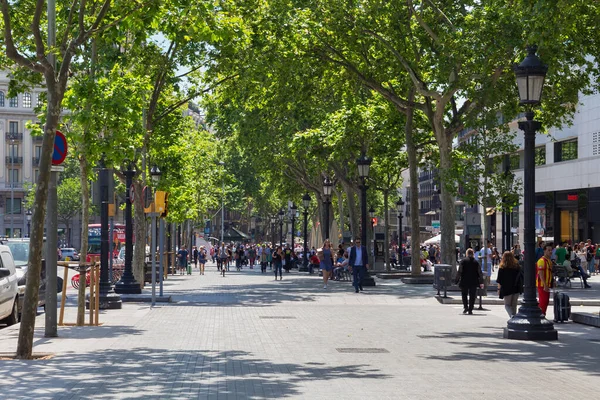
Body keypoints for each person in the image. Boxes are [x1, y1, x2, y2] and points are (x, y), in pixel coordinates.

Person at [455, 248, 484, 315]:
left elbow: (460, 271)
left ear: (467, 253)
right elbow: (480, 272)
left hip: (464, 280)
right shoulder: (476, 262)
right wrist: (481, 281)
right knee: (472, 295)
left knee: (464, 294)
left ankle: (465, 307)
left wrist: (456, 280)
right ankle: (470, 309)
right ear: (473, 254)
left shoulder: (463, 261)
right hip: (474, 281)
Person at [496, 251, 523, 317]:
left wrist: (499, 289)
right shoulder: (517, 266)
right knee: (514, 305)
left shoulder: (502, 268)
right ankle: (514, 319)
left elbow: (499, 280)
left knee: (507, 305)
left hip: (506, 288)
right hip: (516, 288)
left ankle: (512, 316)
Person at [536, 244, 554, 316]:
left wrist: (552, 281)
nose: (550, 252)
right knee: (543, 301)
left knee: (545, 301)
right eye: (548, 250)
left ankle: (542, 314)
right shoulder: (541, 261)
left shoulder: (549, 261)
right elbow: (541, 274)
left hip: (547, 284)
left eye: (551, 250)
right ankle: (541, 314)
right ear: (544, 251)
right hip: (542, 284)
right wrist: (545, 285)